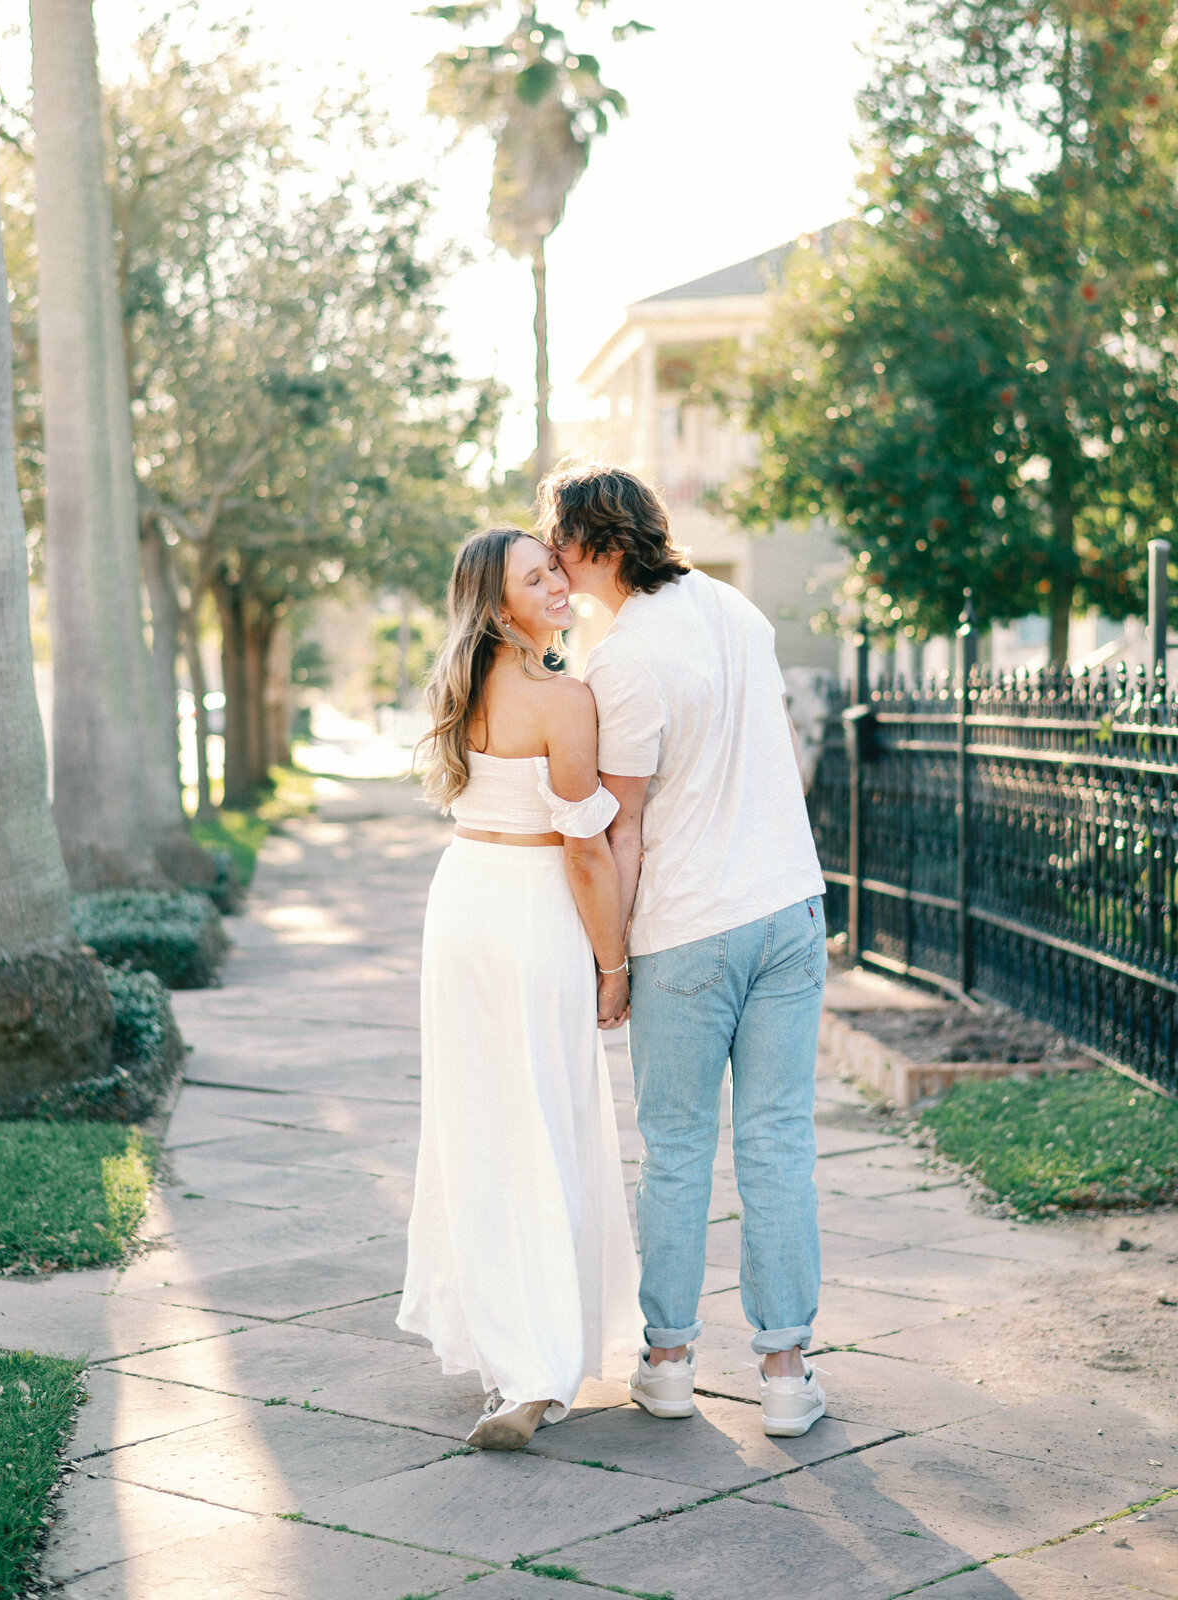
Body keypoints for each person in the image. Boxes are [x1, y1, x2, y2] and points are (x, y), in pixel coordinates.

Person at [538, 466, 829, 1439]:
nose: (552, 555)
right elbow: (782, 755)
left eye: (561, 539)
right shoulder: (738, 610)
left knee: (676, 1150)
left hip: (690, 928)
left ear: (601, 544)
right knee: (780, 1141)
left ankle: (667, 1364)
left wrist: (609, 963)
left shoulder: (624, 660)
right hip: (790, 906)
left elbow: (623, 830)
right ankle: (786, 1375)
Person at [397, 524, 640, 1451]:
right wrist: (613, 965)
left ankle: (509, 1357)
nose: (560, 586)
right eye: (538, 579)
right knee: (545, 1118)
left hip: (462, 903)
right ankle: (537, 1367)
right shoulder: (564, 699)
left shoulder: (457, 689)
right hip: (533, 912)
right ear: (499, 605)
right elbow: (584, 849)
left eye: (556, 571)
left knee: (479, 1126)